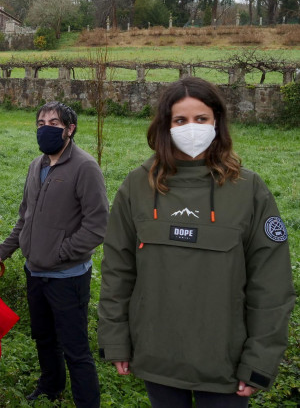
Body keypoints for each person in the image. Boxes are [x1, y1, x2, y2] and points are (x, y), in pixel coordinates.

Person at [98, 77, 295, 407]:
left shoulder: (248, 190)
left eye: (201, 119)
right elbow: (118, 271)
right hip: (158, 361)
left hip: (226, 369)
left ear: (216, 121)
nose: (192, 128)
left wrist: (259, 360)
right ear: (166, 125)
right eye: (181, 120)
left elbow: (271, 285)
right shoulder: (137, 187)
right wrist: (116, 340)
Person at [0, 101, 107, 408]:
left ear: (69, 129)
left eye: (53, 123)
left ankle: (86, 403)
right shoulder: (36, 165)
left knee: (75, 348)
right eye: (41, 123)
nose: (46, 128)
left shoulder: (85, 167)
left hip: (67, 277)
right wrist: (3, 252)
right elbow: (25, 217)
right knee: (44, 337)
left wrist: (61, 252)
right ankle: (51, 387)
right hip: (34, 271)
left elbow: (97, 225)